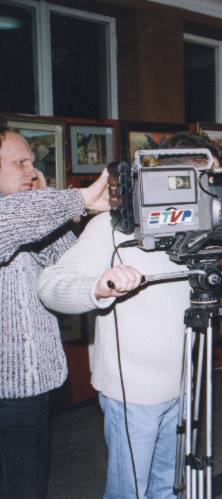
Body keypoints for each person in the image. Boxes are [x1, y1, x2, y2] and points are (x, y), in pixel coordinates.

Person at [38, 133, 222, 498]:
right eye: (208, 178)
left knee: (167, 487)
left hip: (182, 383)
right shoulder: (113, 228)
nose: (215, 189)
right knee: (130, 491)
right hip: (132, 392)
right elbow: (51, 286)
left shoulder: (201, 225)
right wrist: (98, 288)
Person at [0, 125, 109, 498]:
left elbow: (67, 263)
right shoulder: (11, 218)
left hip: (32, 386)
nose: (32, 170)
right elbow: (10, 220)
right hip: (7, 389)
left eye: (33, 162)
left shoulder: (29, 217)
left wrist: (52, 211)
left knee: (28, 484)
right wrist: (80, 199)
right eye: (20, 162)